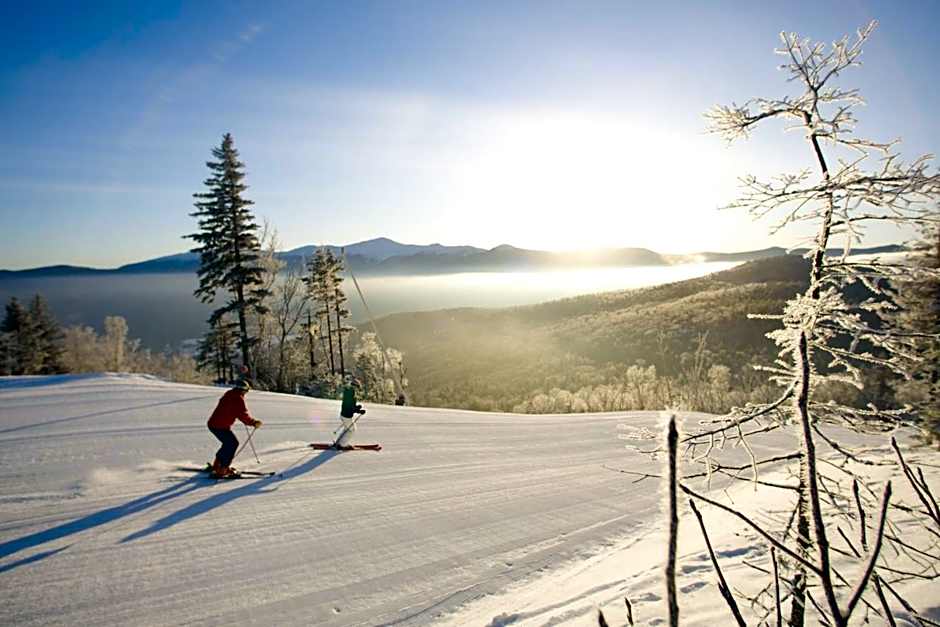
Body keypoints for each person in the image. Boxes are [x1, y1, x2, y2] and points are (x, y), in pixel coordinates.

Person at [207, 380, 262, 478]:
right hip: (220, 426)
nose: (246, 393)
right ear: (242, 390)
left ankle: (217, 465)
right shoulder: (238, 399)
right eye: (246, 391)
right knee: (232, 444)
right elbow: (242, 415)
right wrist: (253, 422)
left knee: (227, 444)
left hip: (214, 424)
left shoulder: (229, 393)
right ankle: (223, 469)